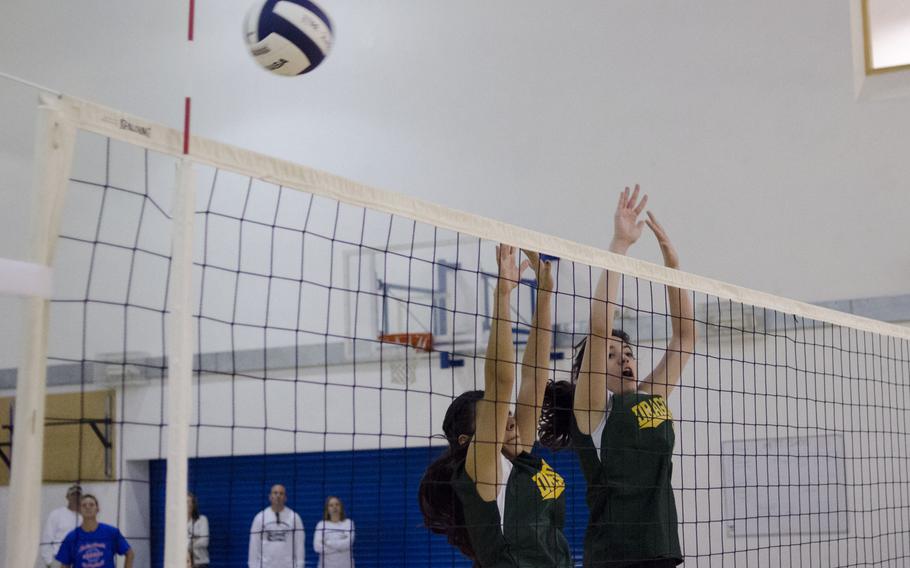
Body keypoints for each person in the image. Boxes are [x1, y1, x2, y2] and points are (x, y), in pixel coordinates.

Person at [539, 186, 697, 567]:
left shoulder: (648, 399)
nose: (622, 358)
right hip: (615, 559)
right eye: (610, 355)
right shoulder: (592, 411)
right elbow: (598, 327)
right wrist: (620, 246)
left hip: (660, 551)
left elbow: (685, 338)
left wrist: (672, 267)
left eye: (626, 353)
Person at [419, 244, 572, 567]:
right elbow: (501, 384)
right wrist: (501, 295)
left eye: (509, 414)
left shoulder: (519, 460)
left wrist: (544, 293)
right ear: (469, 441)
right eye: (499, 416)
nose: (512, 419)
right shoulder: (484, 472)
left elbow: (533, 378)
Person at [54, 494, 134, 568]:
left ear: (97, 509)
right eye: (84, 505)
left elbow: (130, 553)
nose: (88, 507)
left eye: (91, 504)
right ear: (79, 510)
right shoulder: (71, 537)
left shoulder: (111, 532)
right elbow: (64, 564)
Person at [248, 484, 306, 568]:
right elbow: (254, 545)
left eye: (281, 493)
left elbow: (299, 545)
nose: (278, 495)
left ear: (285, 498)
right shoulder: (260, 518)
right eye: (275, 493)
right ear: (270, 497)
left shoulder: (294, 518)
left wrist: (300, 565)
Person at [40, 484, 83, 568]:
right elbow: (46, 539)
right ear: (67, 497)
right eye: (73, 495)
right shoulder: (56, 514)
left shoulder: (84, 517)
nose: (76, 498)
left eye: (78, 495)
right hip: (59, 560)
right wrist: (50, 562)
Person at [313, 495, 355, 568]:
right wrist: (340, 548)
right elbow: (317, 547)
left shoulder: (349, 523)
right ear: (327, 509)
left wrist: (327, 542)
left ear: (341, 508)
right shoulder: (321, 525)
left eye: (337, 504)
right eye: (331, 505)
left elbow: (348, 543)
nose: (334, 507)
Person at [187, 492, 210, 568]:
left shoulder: (202, 520)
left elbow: (204, 541)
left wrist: (187, 543)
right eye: (185, 502)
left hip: (200, 563)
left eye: (190, 502)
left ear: (194, 505)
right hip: (184, 563)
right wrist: (195, 538)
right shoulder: (178, 524)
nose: (188, 505)